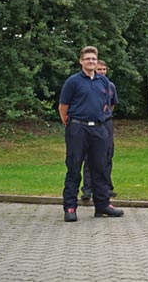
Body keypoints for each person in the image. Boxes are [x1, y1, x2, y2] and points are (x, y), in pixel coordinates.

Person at [58, 46, 124, 221]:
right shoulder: (73, 81)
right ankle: (70, 207)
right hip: (78, 128)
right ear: (81, 61)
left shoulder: (104, 82)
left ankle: (102, 205)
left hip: (99, 129)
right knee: (74, 167)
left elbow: (108, 104)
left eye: (93, 59)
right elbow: (63, 106)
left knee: (100, 168)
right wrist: (69, 122)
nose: (91, 61)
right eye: (87, 59)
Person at [80, 59, 118, 201]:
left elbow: (112, 104)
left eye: (104, 69)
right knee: (89, 156)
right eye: (99, 69)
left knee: (107, 154)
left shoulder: (110, 86)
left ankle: (106, 187)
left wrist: (105, 114)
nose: (102, 72)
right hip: (90, 123)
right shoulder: (89, 85)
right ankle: (87, 189)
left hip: (106, 123)